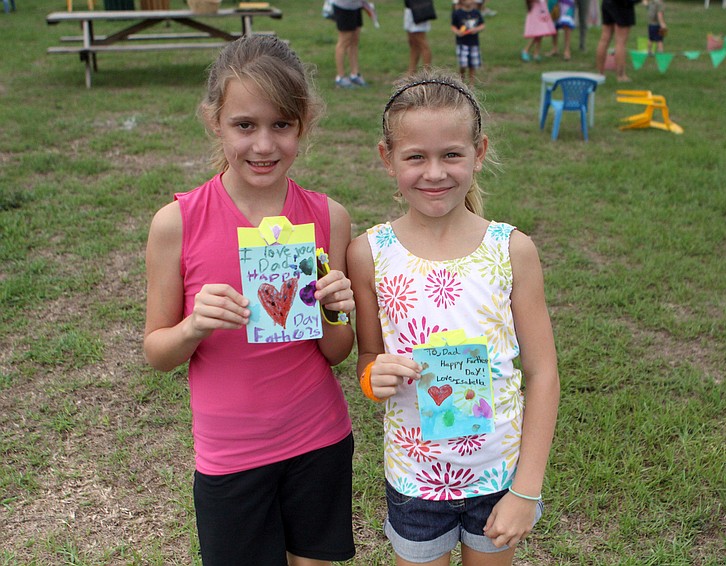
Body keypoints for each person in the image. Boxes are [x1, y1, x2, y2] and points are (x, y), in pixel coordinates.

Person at [143, 36, 356, 566]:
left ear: (303, 122)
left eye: (281, 125)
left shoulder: (327, 217)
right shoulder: (177, 224)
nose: (263, 145)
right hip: (230, 457)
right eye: (245, 125)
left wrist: (334, 309)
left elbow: (337, 352)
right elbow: (157, 352)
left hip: (319, 440)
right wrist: (194, 326)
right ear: (214, 120)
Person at [347, 70, 560, 566]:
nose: (434, 172)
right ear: (387, 159)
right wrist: (372, 377)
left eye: (451, 155)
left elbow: (543, 373)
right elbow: (369, 358)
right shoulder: (368, 254)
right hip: (415, 481)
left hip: (498, 479)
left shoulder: (511, 250)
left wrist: (525, 490)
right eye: (415, 156)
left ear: (479, 152)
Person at [595, 0, 638, 82]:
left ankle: (600, 73)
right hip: (622, 5)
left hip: (607, 3)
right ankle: (621, 75)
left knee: (604, 38)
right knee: (620, 42)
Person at [332, 0, 368, 87]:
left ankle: (354, 74)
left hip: (356, 5)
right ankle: (340, 77)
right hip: (344, 6)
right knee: (344, 41)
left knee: (354, 40)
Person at [451, 0, 486, 83]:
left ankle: (471, 84)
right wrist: (458, 32)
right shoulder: (457, 13)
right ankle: (461, 80)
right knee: (463, 65)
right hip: (462, 43)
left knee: (473, 65)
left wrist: (476, 29)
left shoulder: (476, 13)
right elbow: (453, 26)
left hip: (474, 43)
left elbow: (482, 25)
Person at [404, 0, 433, 76]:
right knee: (413, 42)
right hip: (410, 7)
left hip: (419, 8)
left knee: (421, 42)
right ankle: (411, 72)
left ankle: (427, 73)